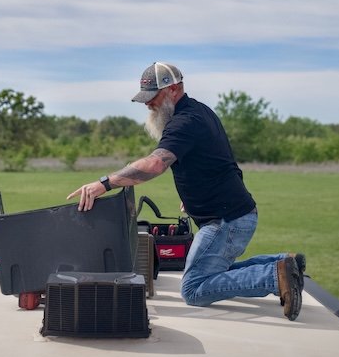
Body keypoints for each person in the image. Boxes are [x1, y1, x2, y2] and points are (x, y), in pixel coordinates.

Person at [67, 62, 305, 320]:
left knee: (194, 289)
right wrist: (193, 196)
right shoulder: (200, 112)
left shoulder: (185, 122)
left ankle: (274, 276)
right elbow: (220, 162)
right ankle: (286, 262)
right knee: (213, 273)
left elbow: (156, 163)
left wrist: (105, 183)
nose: (148, 105)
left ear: (173, 89)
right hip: (233, 214)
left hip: (226, 221)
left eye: (152, 97)